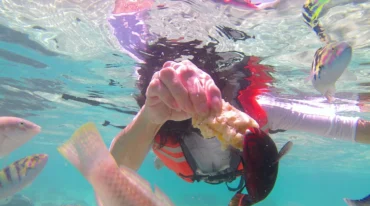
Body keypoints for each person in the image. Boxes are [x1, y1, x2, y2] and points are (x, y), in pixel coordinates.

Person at [108, 0, 370, 188]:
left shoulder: (260, 112)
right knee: (157, 151)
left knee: (160, 152)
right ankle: (159, 160)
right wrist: (151, 117)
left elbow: (346, 127)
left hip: (185, 163)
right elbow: (113, 171)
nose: (200, 97)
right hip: (175, 155)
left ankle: (160, 159)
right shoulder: (158, 121)